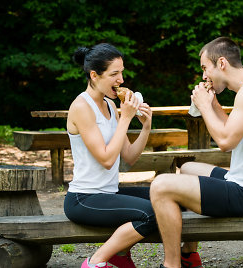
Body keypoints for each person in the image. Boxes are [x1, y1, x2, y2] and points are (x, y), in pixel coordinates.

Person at [150, 37, 243, 268]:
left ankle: (172, 264)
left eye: (205, 68)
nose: (204, 76)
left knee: (161, 186)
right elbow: (231, 129)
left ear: (221, 63)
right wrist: (212, 103)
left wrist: (204, 106)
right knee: (187, 168)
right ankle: (189, 255)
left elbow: (225, 141)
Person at [64, 43, 156, 268]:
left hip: (109, 192)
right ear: (94, 75)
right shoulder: (81, 107)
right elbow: (106, 160)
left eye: (122, 72)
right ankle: (96, 261)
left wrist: (146, 127)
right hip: (84, 199)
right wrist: (125, 118)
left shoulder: (110, 104)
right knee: (152, 215)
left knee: (170, 197)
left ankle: (121, 254)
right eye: (114, 74)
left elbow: (129, 157)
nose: (121, 80)